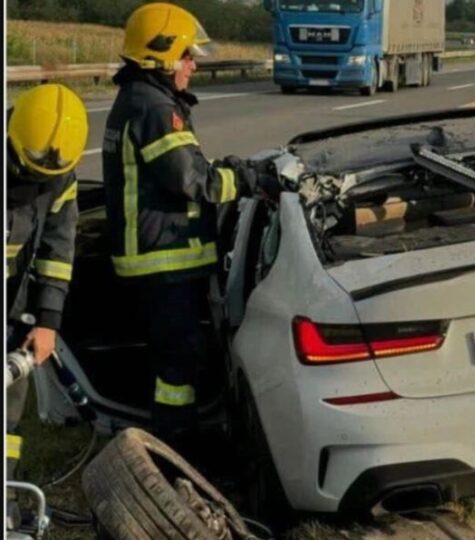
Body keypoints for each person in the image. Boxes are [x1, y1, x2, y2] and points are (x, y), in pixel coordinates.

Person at [102, 3, 255, 446]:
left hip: (153, 261)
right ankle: (178, 451)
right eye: (187, 55)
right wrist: (248, 180)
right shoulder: (153, 108)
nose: (193, 63)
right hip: (162, 263)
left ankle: (177, 440)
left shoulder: (142, 99)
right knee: (178, 365)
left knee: (176, 360)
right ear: (161, 57)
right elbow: (194, 180)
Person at [6, 84, 88, 518]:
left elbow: (58, 249)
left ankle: (4, 499)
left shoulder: (60, 175)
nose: (32, 182)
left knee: (7, 419)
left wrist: (47, 320)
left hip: (12, 311)